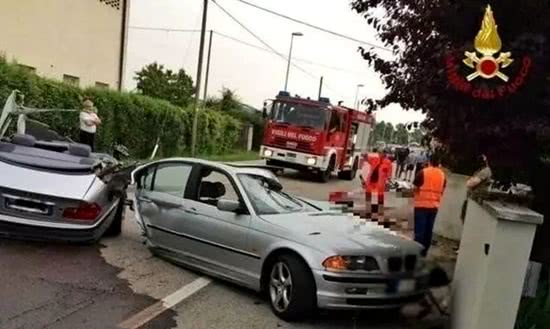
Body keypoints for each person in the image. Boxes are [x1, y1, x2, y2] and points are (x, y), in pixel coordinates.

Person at [413, 153, 446, 256]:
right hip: (434, 207)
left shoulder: (423, 172)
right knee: (428, 230)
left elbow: (415, 188)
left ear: (429, 161)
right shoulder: (442, 175)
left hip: (421, 205)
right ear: (439, 163)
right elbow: (443, 189)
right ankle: (424, 252)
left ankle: (416, 252)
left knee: (419, 231)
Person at [361, 148, 393, 222]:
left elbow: (389, 174)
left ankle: (379, 211)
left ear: (385, 154)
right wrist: (364, 155)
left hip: (380, 182)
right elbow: (367, 158)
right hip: (371, 180)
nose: (379, 154)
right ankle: (368, 210)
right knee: (368, 194)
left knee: (380, 196)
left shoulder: (388, 163)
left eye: (381, 153)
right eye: (379, 153)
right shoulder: (375, 159)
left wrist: (388, 183)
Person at [460, 154, 492, 222]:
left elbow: (471, 183)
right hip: (471, 197)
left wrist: (470, 181)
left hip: (476, 198)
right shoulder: (480, 170)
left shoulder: (485, 171)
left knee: (468, 219)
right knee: (464, 217)